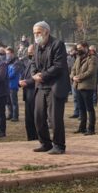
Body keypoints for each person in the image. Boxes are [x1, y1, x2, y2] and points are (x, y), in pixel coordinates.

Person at [32, 21, 71, 154]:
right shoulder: (37, 46)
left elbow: (59, 66)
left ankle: (59, 145)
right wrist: (34, 74)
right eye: (34, 33)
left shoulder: (57, 45)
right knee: (38, 117)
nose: (36, 35)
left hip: (55, 86)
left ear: (46, 32)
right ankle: (45, 143)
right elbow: (33, 63)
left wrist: (43, 75)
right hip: (41, 86)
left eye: (38, 33)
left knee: (54, 118)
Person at [71, 42, 98, 135]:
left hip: (87, 86)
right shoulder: (78, 58)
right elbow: (73, 69)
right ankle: (82, 127)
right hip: (78, 86)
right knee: (81, 108)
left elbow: (91, 71)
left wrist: (79, 77)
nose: (78, 49)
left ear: (85, 47)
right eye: (77, 48)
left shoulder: (93, 58)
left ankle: (91, 129)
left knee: (89, 108)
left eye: (80, 48)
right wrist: (73, 77)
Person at [19, 44, 38, 140]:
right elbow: (24, 75)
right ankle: (30, 137)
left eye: (31, 52)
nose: (29, 54)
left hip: (34, 93)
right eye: (28, 52)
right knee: (28, 119)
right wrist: (21, 81)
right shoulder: (29, 62)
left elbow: (36, 77)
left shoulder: (38, 62)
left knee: (35, 118)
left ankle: (36, 137)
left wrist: (26, 82)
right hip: (27, 94)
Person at [6, 47, 22, 122]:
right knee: (8, 101)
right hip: (7, 85)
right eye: (6, 54)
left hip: (13, 85)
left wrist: (5, 77)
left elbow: (13, 73)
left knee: (13, 101)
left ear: (12, 53)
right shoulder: (8, 62)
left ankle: (15, 116)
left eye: (8, 53)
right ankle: (10, 114)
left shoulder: (17, 62)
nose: (7, 55)